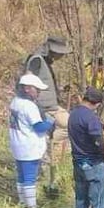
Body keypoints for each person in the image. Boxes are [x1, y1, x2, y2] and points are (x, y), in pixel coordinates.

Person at [22, 36, 73, 190]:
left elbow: (44, 84)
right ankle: (39, 176)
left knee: (71, 124)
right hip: (43, 108)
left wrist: (62, 89)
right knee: (44, 143)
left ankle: (50, 139)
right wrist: (35, 106)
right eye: (60, 53)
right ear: (53, 50)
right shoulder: (36, 60)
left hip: (52, 106)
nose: (62, 56)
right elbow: (28, 83)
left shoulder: (46, 61)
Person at [8, 74, 55, 208]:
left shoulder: (15, 102)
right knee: (29, 178)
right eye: (37, 89)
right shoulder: (29, 106)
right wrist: (50, 122)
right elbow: (39, 127)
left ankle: (23, 203)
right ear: (27, 89)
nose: (39, 92)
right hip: (29, 146)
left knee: (21, 176)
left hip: (17, 144)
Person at [68, 86, 104, 208]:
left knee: (81, 195)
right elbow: (98, 141)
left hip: (77, 161)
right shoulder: (91, 118)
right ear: (97, 103)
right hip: (93, 162)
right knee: (99, 196)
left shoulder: (73, 114)